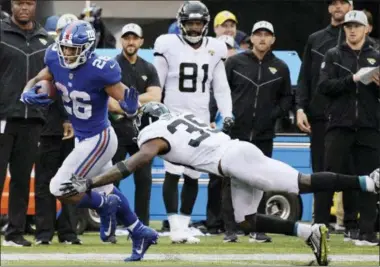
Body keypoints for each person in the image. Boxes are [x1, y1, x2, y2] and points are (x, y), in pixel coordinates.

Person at [59, 102, 380, 266]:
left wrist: (90, 181)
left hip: (236, 159)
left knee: (303, 182)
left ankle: (369, 182)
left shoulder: (152, 133)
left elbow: (133, 163)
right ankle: (310, 233)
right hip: (233, 160)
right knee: (246, 221)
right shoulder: (178, 119)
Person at [20, 20, 158, 261]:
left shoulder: (101, 68)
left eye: (74, 49)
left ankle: (105, 205)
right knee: (106, 187)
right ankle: (139, 230)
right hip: (84, 139)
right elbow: (41, 77)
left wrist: (131, 106)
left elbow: (127, 100)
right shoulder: (54, 56)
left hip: (99, 138)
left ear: (87, 49)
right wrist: (28, 89)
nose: (67, 53)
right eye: (65, 47)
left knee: (59, 187)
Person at [153, 0, 234, 243]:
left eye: (199, 23)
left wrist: (227, 114)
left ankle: (184, 225)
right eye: (191, 23)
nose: (195, 28)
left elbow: (220, 87)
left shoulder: (216, 48)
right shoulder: (167, 45)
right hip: (173, 117)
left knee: (193, 174)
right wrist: (156, 113)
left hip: (200, 120)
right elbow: (156, 84)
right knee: (172, 171)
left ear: (206, 24)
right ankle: (174, 226)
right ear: (181, 24)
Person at [225, 20, 293, 243]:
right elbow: (221, 92)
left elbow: (286, 98)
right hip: (235, 132)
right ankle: (230, 229)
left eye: (267, 34)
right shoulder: (234, 62)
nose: (262, 38)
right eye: (258, 34)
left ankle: (257, 229)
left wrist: (273, 115)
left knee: (261, 181)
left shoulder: (281, 67)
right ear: (251, 38)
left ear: (273, 39)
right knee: (231, 179)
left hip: (263, 133)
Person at [317, 10, 380, 246]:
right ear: (344, 29)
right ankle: (319, 228)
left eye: (356, 26)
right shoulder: (333, 55)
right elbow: (323, 87)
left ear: (367, 29)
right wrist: (352, 79)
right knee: (328, 178)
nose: (352, 30)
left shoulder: (377, 56)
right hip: (339, 125)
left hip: (368, 127)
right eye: (348, 26)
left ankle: (367, 233)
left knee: (371, 181)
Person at [295, 0, 354, 237]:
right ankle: (320, 224)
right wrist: (300, 108)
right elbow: (304, 77)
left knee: (350, 172)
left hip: (350, 117)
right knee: (320, 171)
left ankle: (351, 224)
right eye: (334, 3)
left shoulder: (362, 41)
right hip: (319, 115)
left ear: (350, 7)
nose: (338, 7)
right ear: (329, 9)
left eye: (343, 2)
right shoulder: (316, 39)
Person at [0, 0, 54, 247]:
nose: (24, 7)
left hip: (33, 119)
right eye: (19, 2)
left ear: (34, 6)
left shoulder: (47, 41)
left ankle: (15, 233)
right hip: (3, 117)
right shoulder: (1, 33)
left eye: (29, 3)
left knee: (21, 179)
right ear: (12, 5)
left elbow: (57, 82)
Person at [34, 13, 81, 246]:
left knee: (70, 182)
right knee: (44, 182)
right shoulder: (49, 57)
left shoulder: (84, 60)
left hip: (76, 129)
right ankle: (44, 233)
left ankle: (69, 233)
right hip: (48, 126)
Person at [109, 23, 161, 228]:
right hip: (117, 130)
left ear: (141, 41)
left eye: (134, 38)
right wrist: (132, 105)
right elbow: (109, 103)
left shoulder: (148, 67)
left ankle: (142, 226)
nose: (130, 42)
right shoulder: (112, 65)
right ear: (121, 40)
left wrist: (129, 103)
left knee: (144, 180)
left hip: (143, 132)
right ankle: (110, 225)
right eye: (127, 38)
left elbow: (156, 96)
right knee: (112, 181)